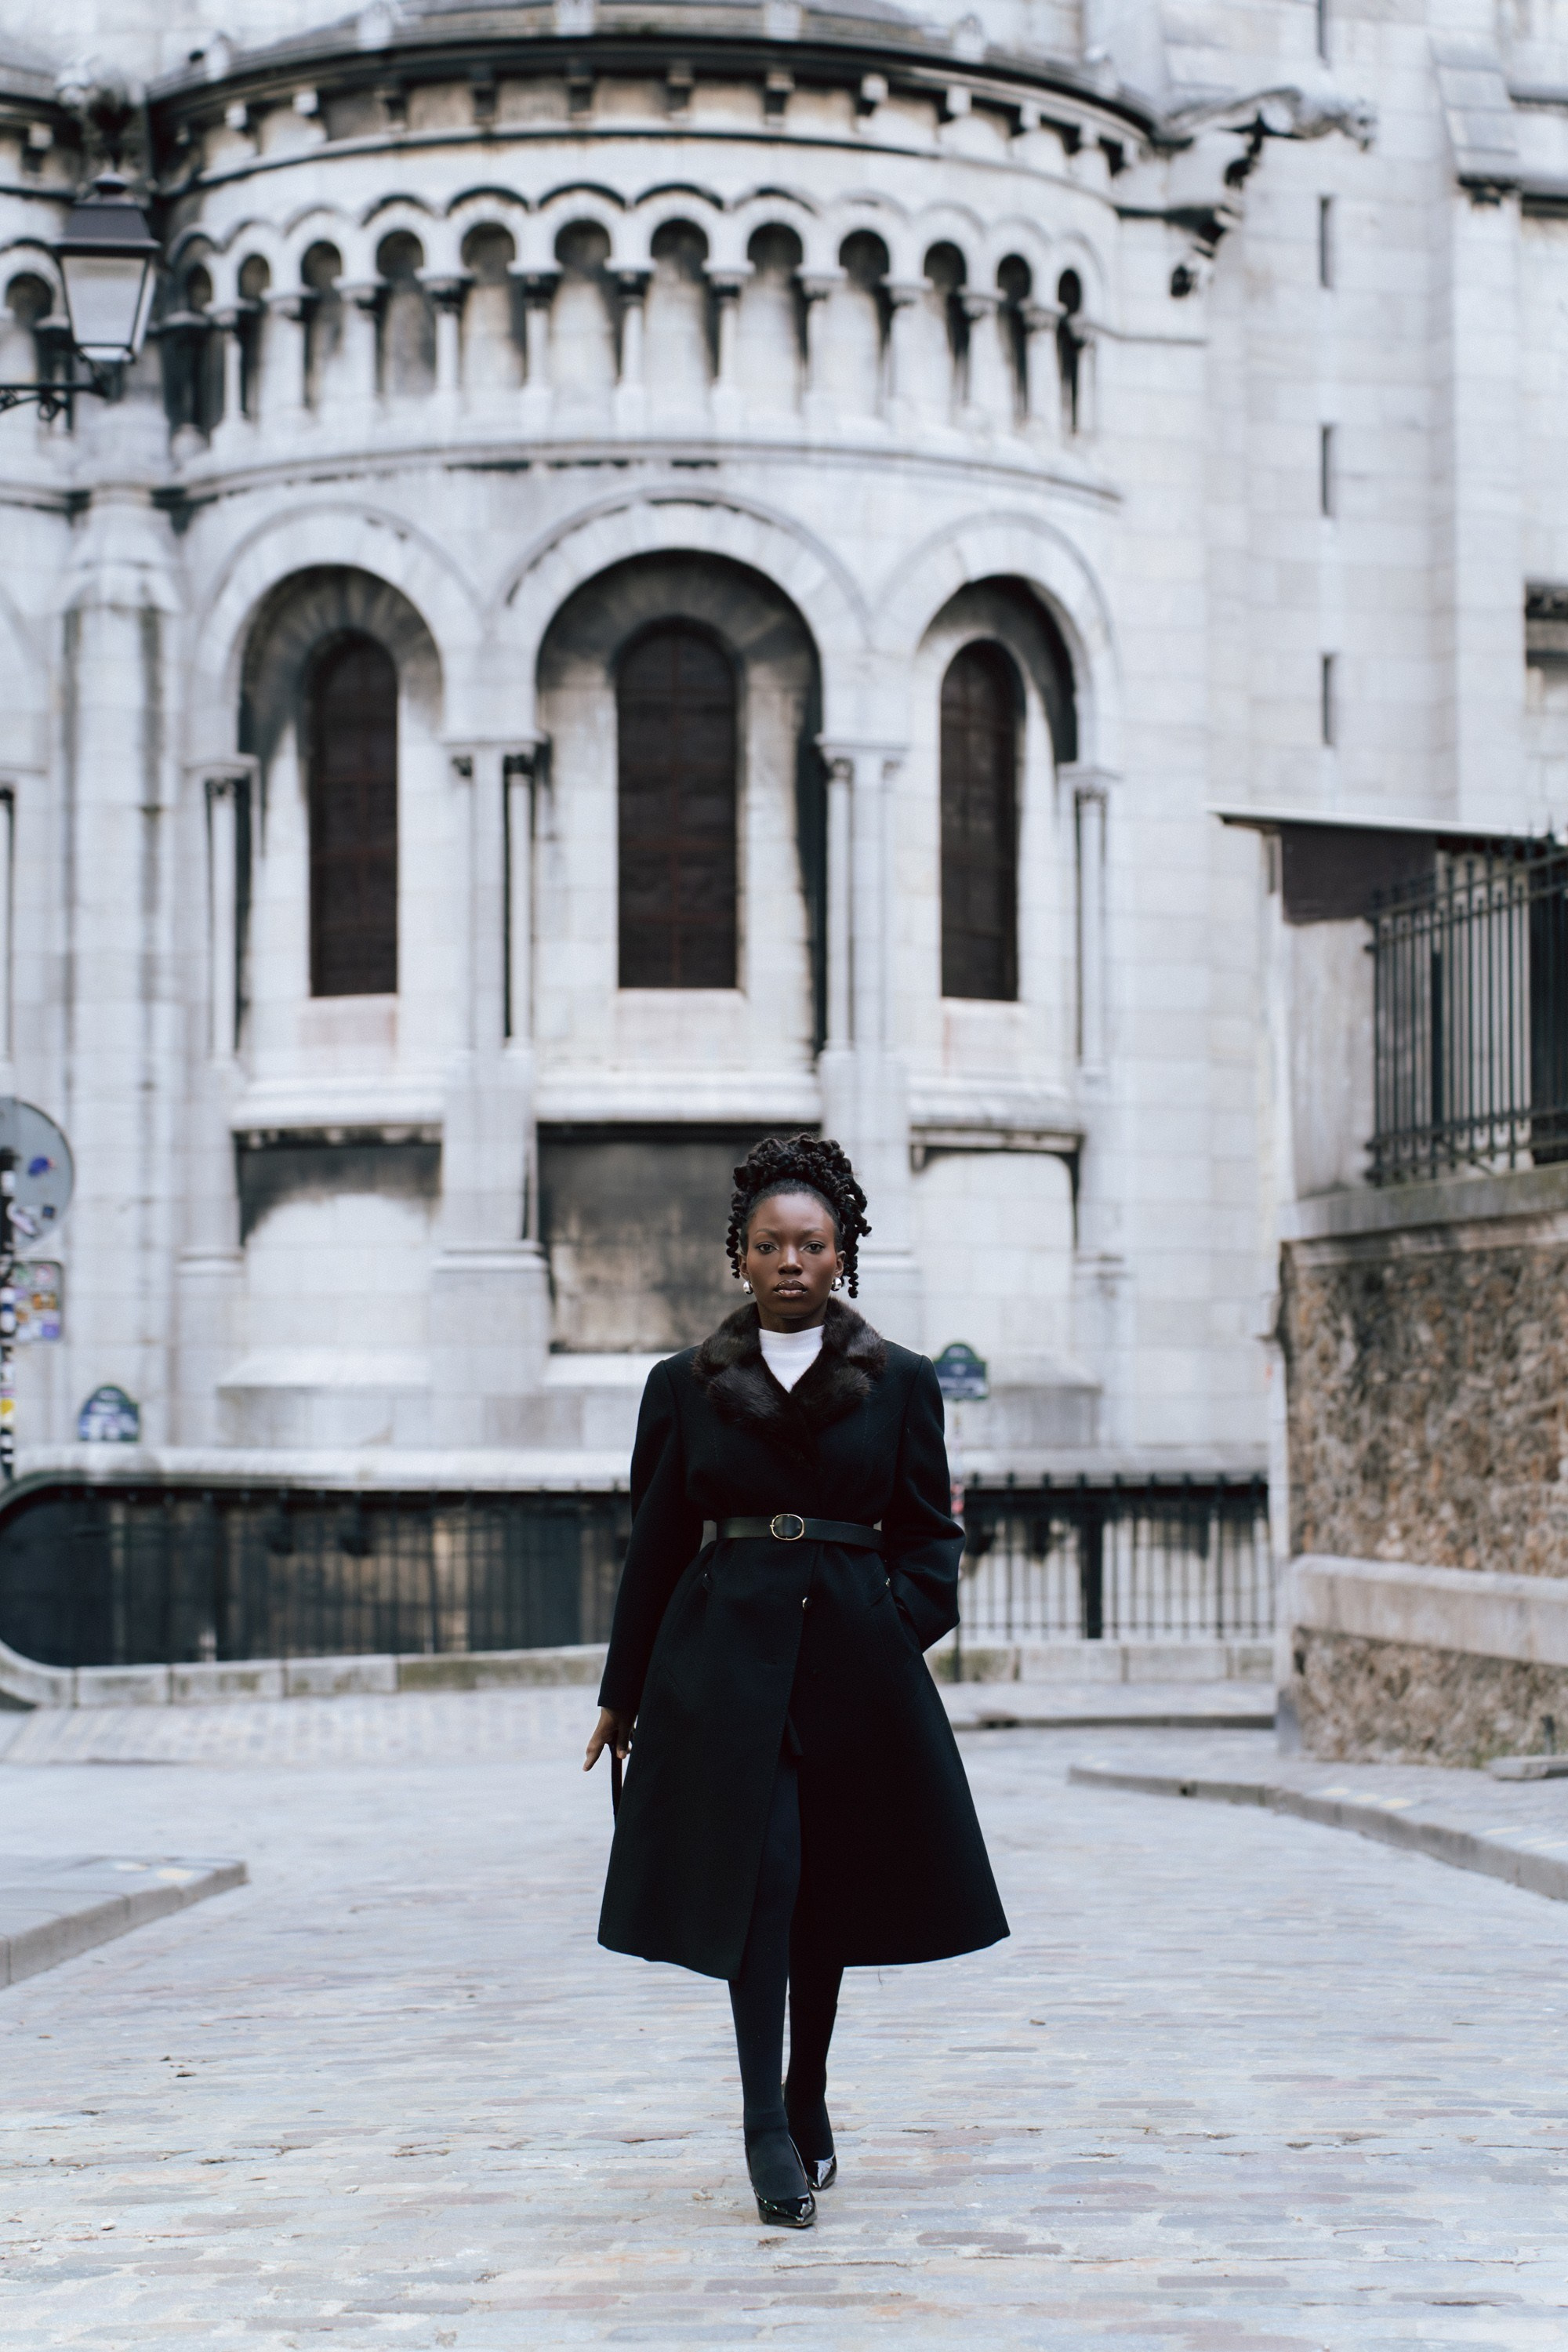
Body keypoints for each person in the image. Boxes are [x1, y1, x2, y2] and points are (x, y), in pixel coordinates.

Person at [584, 1134, 1009, 2228]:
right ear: (740, 1257)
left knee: (821, 1889)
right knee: (761, 1881)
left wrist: (893, 1623)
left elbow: (929, 1533)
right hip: (720, 1669)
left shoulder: (903, 1382)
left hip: (851, 1669)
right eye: (769, 1244)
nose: (790, 1261)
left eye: (811, 1245)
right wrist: (623, 1689)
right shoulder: (680, 1386)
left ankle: (806, 2088)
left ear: (841, 1256)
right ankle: (761, 2127)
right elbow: (656, 1542)